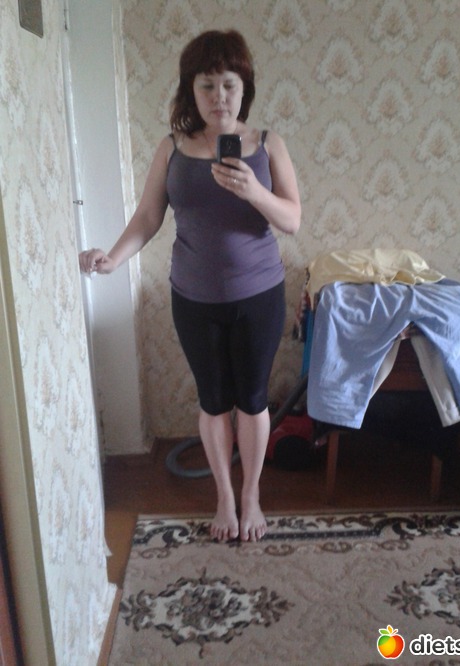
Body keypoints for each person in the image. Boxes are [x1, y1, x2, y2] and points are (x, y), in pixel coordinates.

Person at [79, 29, 301, 542]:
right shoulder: (172, 148)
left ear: (244, 88)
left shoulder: (268, 145)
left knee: (253, 400)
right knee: (213, 401)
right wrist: (112, 259)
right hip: (194, 299)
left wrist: (254, 191)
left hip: (260, 296)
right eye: (207, 85)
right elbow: (147, 216)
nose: (219, 97)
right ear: (191, 90)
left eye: (229, 85)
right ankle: (224, 497)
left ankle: (251, 497)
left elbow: (291, 220)